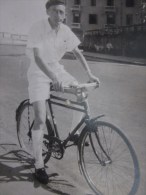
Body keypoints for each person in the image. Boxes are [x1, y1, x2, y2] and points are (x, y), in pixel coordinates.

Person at [26, 0, 100, 184]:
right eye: (56, 12)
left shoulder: (65, 30)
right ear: (47, 12)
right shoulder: (38, 28)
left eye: (62, 13)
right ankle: (39, 165)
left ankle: (73, 133)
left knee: (81, 92)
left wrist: (90, 74)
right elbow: (37, 57)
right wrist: (52, 77)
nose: (60, 16)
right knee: (41, 119)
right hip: (38, 71)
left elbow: (77, 52)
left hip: (57, 70)